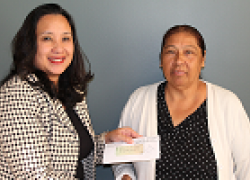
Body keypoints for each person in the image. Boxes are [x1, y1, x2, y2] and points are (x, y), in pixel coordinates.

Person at [0, 3, 140, 179]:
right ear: (29, 44)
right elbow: (36, 176)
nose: (58, 48)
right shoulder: (17, 94)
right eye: (47, 38)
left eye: (65, 38)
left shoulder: (72, 90)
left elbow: (73, 153)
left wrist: (107, 141)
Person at [113, 25, 250, 180]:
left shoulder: (228, 104)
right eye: (171, 52)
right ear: (161, 59)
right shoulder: (139, 100)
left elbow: (247, 166)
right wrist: (125, 175)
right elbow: (121, 156)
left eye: (188, 52)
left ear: (202, 59)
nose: (179, 60)